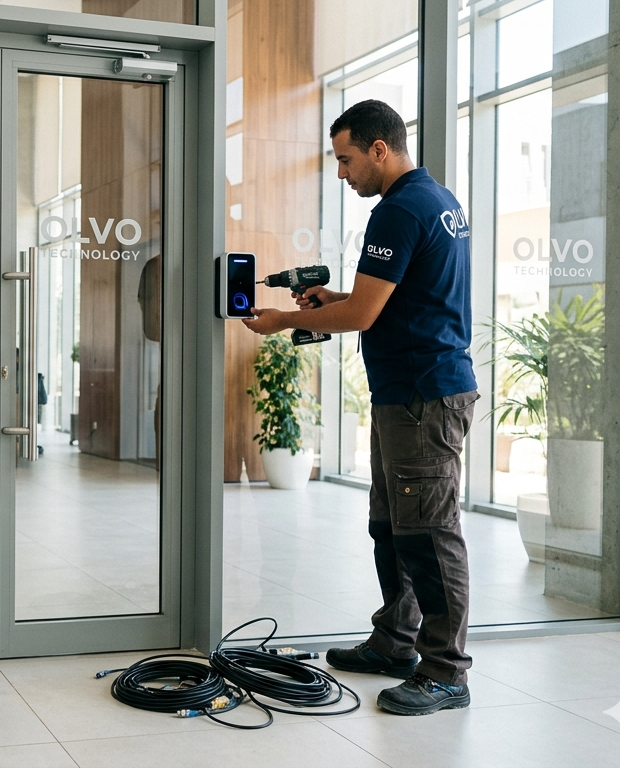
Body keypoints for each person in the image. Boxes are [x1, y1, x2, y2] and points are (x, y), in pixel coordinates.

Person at [242, 99, 478, 717]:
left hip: (424, 395)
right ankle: (395, 643)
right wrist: (334, 296)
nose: (342, 174)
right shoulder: (437, 202)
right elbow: (391, 297)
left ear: (380, 148)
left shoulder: (398, 211)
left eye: (346, 160)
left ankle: (447, 671)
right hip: (408, 392)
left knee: (428, 532)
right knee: (391, 525)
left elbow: (367, 315)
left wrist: (285, 320)